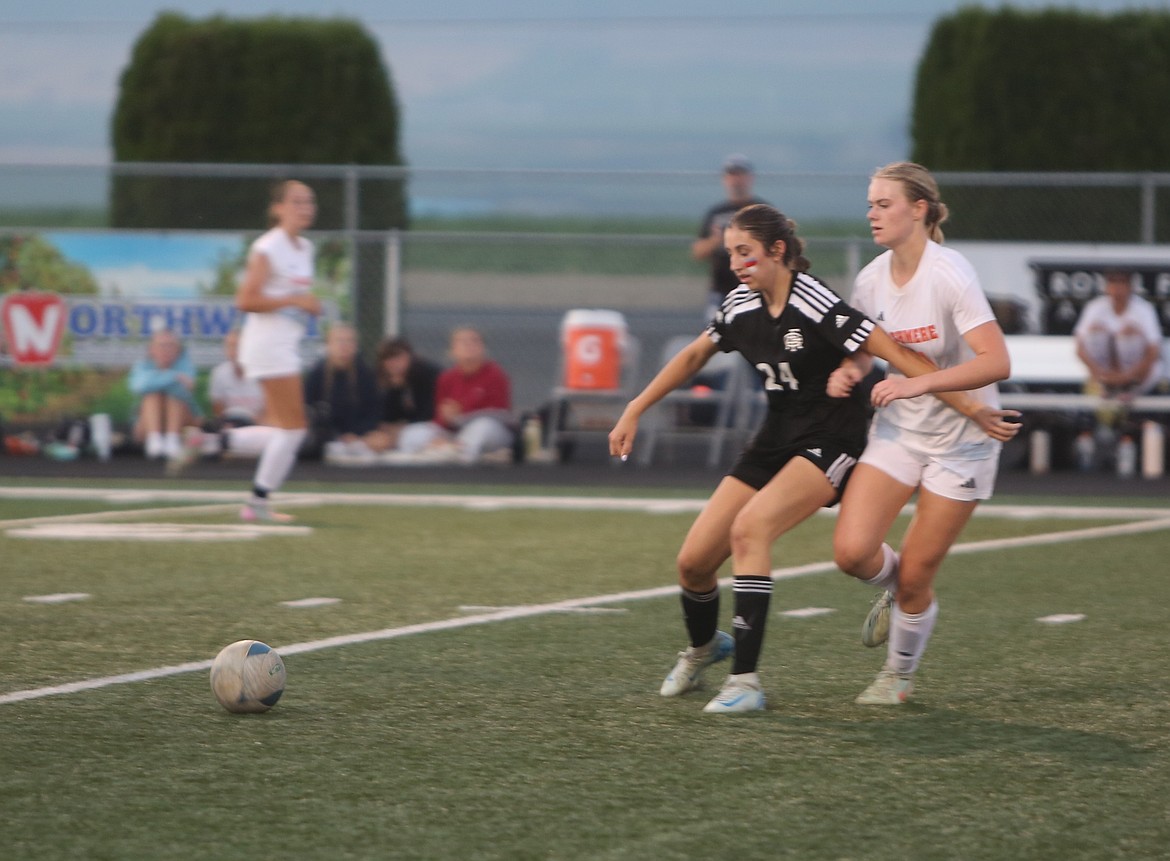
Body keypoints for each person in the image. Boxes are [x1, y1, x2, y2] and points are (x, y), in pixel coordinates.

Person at [610, 202, 1018, 714]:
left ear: (777, 251)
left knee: (750, 530)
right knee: (693, 563)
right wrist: (635, 407)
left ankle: (745, 683)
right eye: (731, 253)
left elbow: (898, 353)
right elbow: (695, 355)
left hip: (831, 439)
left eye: (746, 252)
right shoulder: (741, 304)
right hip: (775, 438)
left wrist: (971, 408)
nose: (736, 263)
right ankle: (705, 648)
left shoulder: (815, 300)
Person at [829, 161, 1019, 706]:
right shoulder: (870, 279)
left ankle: (898, 674)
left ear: (919, 210)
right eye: (869, 204)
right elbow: (867, 354)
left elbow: (997, 361)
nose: (872, 213)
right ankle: (898, 589)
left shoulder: (949, 272)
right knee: (851, 552)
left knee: (917, 578)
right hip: (900, 433)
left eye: (883, 204)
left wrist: (918, 384)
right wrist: (849, 372)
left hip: (965, 441)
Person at [172, 180, 321, 520]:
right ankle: (256, 504)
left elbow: (287, 299)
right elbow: (245, 299)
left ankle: (211, 442)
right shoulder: (268, 247)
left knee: (287, 429)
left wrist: (305, 306)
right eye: (296, 202)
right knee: (295, 429)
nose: (305, 208)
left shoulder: (305, 249)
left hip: (284, 344)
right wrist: (295, 300)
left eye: (309, 202)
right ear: (278, 208)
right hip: (268, 347)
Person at [396, 326, 515, 464]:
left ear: (483, 348)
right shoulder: (446, 378)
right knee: (411, 433)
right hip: (454, 432)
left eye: (474, 341)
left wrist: (460, 416)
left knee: (481, 427)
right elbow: (440, 419)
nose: (468, 345)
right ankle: (414, 475)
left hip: (493, 433)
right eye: (462, 342)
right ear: (452, 351)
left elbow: (499, 414)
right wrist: (445, 425)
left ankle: (461, 473)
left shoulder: (495, 374)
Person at [693, 154, 768, 318]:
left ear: (750, 178)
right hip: (722, 290)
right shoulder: (716, 213)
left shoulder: (762, 210)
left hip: (757, 288)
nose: (736, 180)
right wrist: (716, 240)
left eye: (740, 174)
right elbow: (698, 252)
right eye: (732, 175)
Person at [303, 322, 382, 463]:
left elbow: (373, 412)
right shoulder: (317, 375)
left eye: (349, 341)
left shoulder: (365, 374)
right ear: (328, 345)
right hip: (327, 439)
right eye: (339, 341)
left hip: (359, 439)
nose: (344, 346)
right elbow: (308, 410)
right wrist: (334, 435)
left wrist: (356, 435)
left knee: (381, 440)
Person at [128, 328, 201, 460]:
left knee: (173, 397)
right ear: (152, 349)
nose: (166, 350)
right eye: (162, 345)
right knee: (152, 396)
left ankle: (171, 440)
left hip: (183, 423)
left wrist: (157, 380)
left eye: (170, 345)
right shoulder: (142, 366)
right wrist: (173, 376)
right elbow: (139, 387)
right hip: (146, 425)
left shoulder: (186, 365)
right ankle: (154, 440)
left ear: (178, 350)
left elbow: (184, 391)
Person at [365, 336, 442, 453]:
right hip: (401, 428)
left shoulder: (426, 373)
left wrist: (402, 426)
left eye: (398, 357)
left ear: (409, 356)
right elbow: (386, 414)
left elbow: (428, 411)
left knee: (409, 436)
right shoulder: (382, 377)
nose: (393, 363)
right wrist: (395, 389)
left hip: (430, 425)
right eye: (388, 359)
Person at [207, 328, 266, 428]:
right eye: (229, 346)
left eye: (237, 346)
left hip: (258, 426)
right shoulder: (219, 373)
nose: (233, 351)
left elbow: (269, 411)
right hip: (230, 425)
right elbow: (218, 410)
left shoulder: (263, 374)